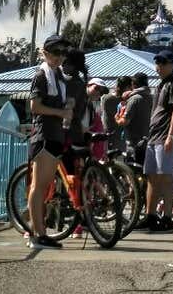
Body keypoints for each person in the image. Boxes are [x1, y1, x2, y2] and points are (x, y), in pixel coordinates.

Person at [27, 35, 73, 249]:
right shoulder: (41, 75)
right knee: (39, 186)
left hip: (56, 135)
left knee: (45, 186)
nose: (59, 57)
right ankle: (38, 234)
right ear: (45, 53)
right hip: (44, 134)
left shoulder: (60, 77)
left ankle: (38, 231)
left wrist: (68, 107)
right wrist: (60, 112)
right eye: (55, 53)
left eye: (63, 53)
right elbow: (34, 107)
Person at [143, 49, 173, 233]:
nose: (160, 66)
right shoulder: (161, 84)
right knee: (152, 177)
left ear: (172, 65)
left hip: (166, 137)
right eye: (158, 63)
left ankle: (168, 218)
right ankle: (150, 216)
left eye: (164, 63)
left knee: (165, 177)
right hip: (155, 136)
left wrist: (171, 135)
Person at [70, 77, 110, 239]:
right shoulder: (80, 101)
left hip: (86, 150)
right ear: (88, 85)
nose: (98, 93)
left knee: (83, 186)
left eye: (101, 91)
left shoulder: (92, 107)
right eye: (96, 88)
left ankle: (79, 224)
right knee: (78, 186)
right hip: (75, 148)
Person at [117, 72, 152, 157]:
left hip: (133, 142)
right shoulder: (151, 97)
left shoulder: (134, 99)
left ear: (134, 84)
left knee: (132, 167)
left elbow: (124, 121)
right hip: (148, 140)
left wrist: (117, 118)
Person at [101, 76, 130, 152]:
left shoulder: (106, 98)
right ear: (127, 87)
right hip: (115, 136)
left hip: (110, 134)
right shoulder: (112, 100)